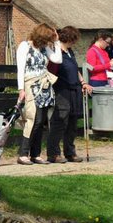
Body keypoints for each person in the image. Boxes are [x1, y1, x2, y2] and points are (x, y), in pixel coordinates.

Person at [16, 22, 59, 164]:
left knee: (41, 120)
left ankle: (35, 154)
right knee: (32, 118)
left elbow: (57, 59)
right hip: (31, 85)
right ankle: (23, 153)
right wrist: (21, 89)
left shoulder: (44, 48)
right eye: (47, 39)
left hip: (44, 85)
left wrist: (56, 42)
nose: (48, 43)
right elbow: (20, 68)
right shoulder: (25, 46)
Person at [47, 26, 89, 163]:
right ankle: (53, 153)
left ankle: (70, 152)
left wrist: (83, 81)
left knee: (72, 122)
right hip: (62, 89)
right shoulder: (56, 51)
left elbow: (75, 68)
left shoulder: (70, 51)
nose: (75, 42)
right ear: (69, 38)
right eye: (74, 39)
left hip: (75, 88)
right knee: (60, 120)